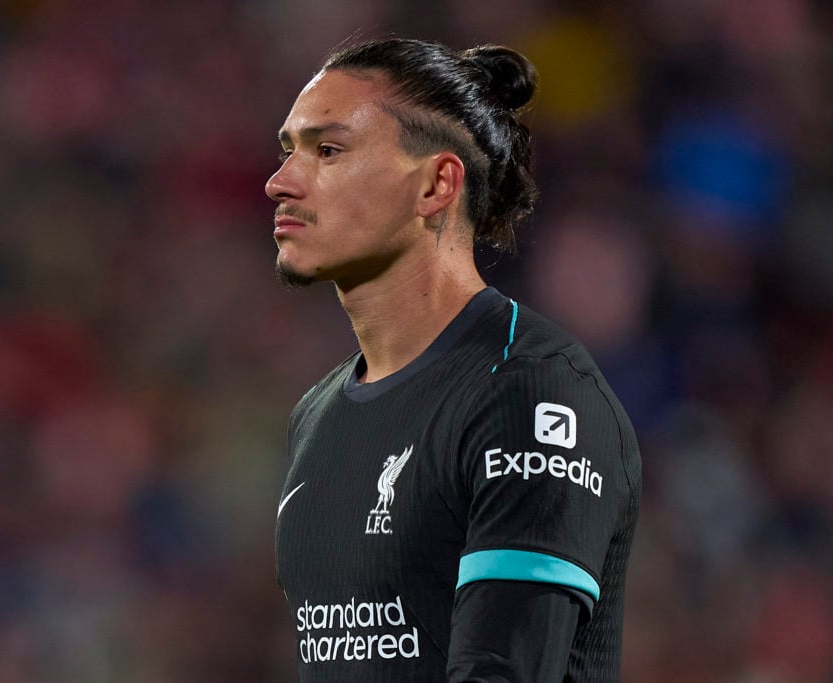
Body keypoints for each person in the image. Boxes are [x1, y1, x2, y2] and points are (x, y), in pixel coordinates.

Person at [268, 37, 641, 682]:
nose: (280, 183)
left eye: (328, 151)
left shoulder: (530, 391)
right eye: (289, 151)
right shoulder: (316, 415)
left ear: (437, 184)